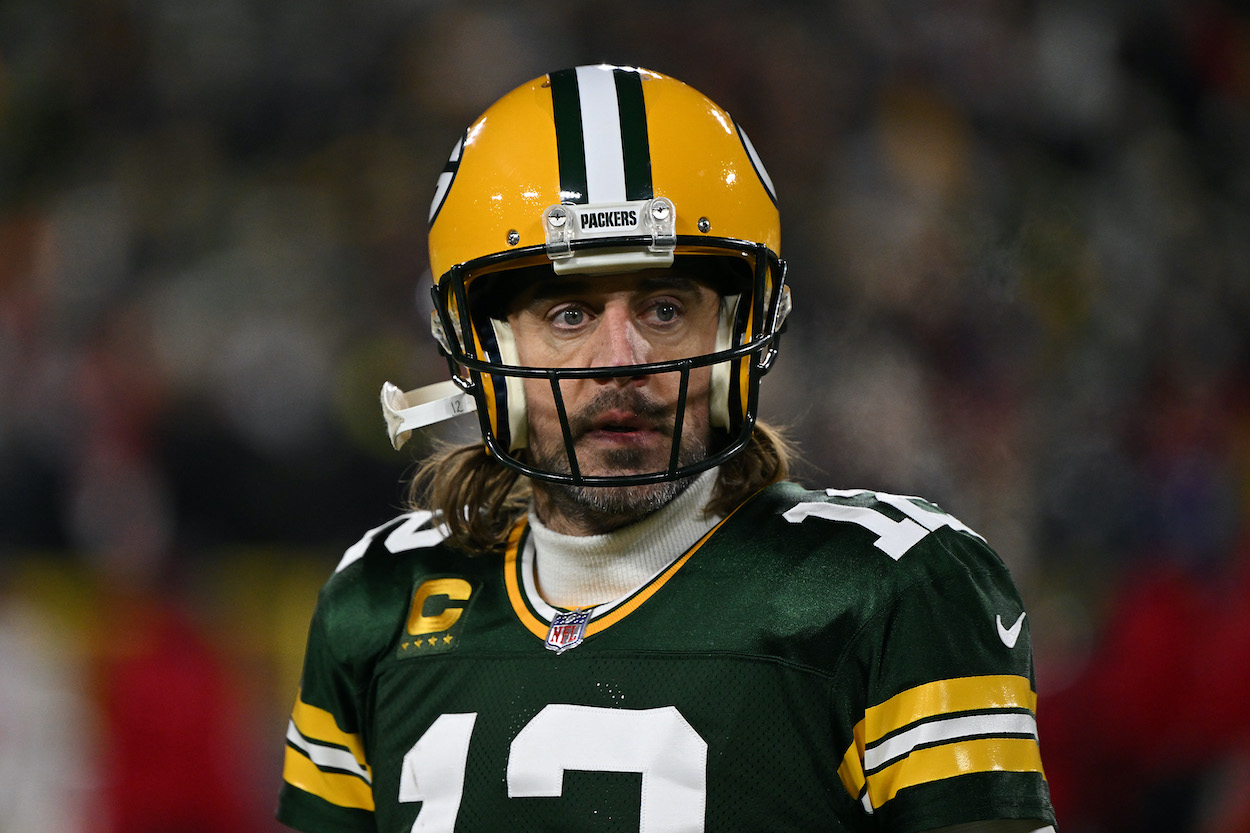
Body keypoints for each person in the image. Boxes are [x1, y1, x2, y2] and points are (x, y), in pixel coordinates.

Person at [276, 64, 1058, 833]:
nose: (623, 360)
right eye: (570, 314)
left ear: (738, 330)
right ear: (481, 345)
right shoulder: (378, 600)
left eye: (662, 307)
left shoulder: (890, 593)